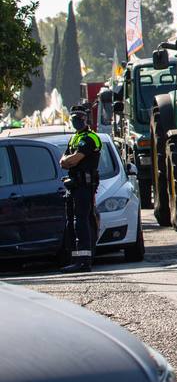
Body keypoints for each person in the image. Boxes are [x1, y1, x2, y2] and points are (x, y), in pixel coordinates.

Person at [59, 109, 103, 273]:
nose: (75, 121)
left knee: (82, 221)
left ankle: (84, 261)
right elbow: (62, 161)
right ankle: (76, 259)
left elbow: (75, 158)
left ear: (86, 119)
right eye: (73, 118)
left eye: (78, 118)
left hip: (85, 185)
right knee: (72, 222)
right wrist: (68, 161)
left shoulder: (90, 138)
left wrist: (69, 161)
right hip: (74, 186)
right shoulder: (74, 138)